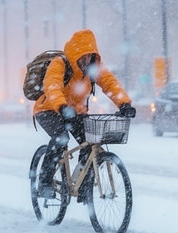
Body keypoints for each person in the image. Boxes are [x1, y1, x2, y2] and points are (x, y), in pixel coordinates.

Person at [34, 29, 136, 199]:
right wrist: (62, 106)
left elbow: (110, 84)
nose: (87, 60)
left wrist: (124, 103)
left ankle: (83, 186)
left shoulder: (93, 69)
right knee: (61, 138)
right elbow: (52, 86)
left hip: (76, 113)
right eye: (83, 55)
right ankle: (44, 182)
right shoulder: (60, 64)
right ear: (75, 54)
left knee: (91, 142)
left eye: (90, 56)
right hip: (49, 109)